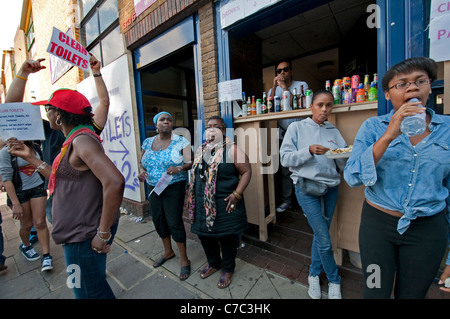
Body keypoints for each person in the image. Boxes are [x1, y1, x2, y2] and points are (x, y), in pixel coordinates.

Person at [344, 57, 450, 298]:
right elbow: (352, 176)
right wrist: (389, 135)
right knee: (374, 291)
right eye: (401, 84)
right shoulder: (373, 127)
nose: (412, 88)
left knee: (412, 295)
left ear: (429, 87)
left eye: (419, 81)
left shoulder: (447, 130)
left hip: (428, 230)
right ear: (387, 94)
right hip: (377, 228)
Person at [8, 88, 124, 299]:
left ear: (59, 115)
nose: (46, 113)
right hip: (79, 233)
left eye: (48, 109)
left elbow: (115, 182)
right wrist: (31, 158)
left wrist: (103, 233)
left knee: (84, 292)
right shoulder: (73, 140)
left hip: (83, 236)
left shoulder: (81, 140)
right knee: (93, 287)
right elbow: (62, 176)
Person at [280, 90, 347, 299]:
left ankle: (314, 274)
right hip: (306, 187)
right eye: (320, 105)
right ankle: (334, 280)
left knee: (321, 235)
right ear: (312, 106)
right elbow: (285, 159)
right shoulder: (296, 127)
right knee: (325, 240)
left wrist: (344, 154)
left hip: (331, 188)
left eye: (328, 105)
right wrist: (308, 150)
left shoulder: (334, 131)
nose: (324, 109)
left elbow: (342, 164)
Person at [186, 116, 251, 289]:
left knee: (226, 236)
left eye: (216, 127)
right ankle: (214, 263)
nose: (212, 129)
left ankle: (228, 268)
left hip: (224, 202)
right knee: (204, 235)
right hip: (201, 203)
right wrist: (190, 196)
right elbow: (194, 175)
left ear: (223, 131)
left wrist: (237, 194)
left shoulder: (232, 149)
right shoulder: (200, 149)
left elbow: (246, 171)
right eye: (209, 127)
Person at [138, 111, 193, 281]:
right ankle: (168, 251)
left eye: (169, 119)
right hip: (154, 187)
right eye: (162, 119)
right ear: (156, 124)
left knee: (174, 221)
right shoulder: (147, 142)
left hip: (173, 186)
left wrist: (179, 168)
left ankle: (184, 259)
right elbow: (141, 163)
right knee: (158, 219)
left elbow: (190, 162)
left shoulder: (181, 141)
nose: (166, 122)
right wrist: (141, 172)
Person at [268, 61, 309, 213]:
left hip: (301, 132)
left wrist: (285, 88)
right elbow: (269, 109)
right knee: (285, 170)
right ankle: (287, 201)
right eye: (279, 71)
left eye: (285, 69)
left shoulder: (301, 85)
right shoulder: (273, 90)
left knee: (303, 167)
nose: (282, 73)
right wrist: (274, 87)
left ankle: (306, 203)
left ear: (291, 70)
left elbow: (298, 104)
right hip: (283, 133)